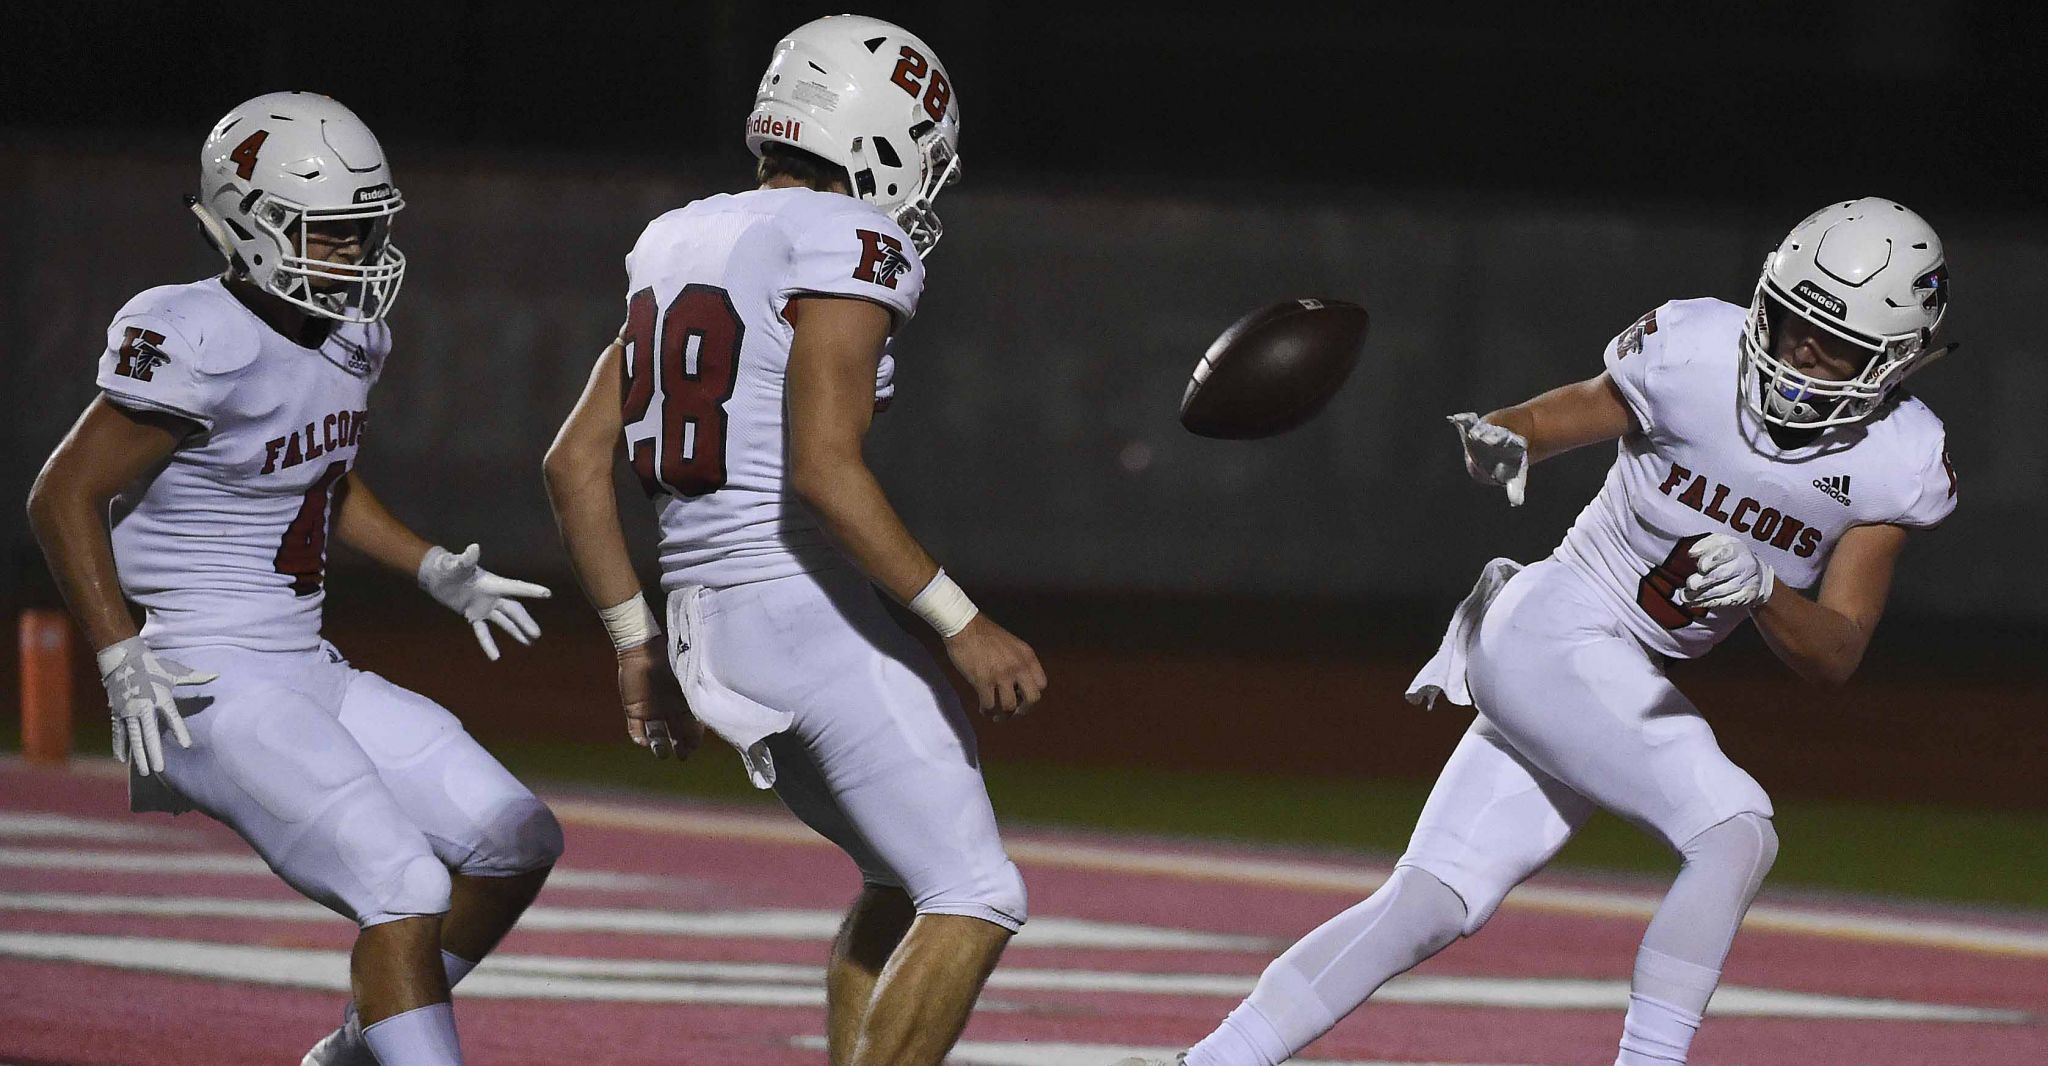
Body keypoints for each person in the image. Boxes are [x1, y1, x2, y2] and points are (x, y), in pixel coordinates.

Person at [1116, 197, 1958, 1066]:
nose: (1798, 354)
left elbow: (1835, 654)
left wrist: (1765, 589)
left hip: (1608, 673)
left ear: (1897, 358)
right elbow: (1534, 424)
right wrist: (1501, 440)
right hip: (1555, 619)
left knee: (1430, 901)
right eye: (1789, 323)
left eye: (1835, 343)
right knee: (1735, 829)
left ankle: (1212, 1061)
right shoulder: (1695, 349)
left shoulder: (1899, 459)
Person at [541, 15, 1045, 1066]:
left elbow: (572, 464)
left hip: (703, 616)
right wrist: (961, 619)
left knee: (904, 881)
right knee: (976, 892)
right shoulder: (847, 237)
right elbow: (824, 467)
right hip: (794, 602)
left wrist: (636, 643)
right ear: (883, 135)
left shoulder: (680, 237)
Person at [25, 91, 562, 1066]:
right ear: (249, 225)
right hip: (200, 680)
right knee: (403, 882)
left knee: (514, 835)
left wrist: (432, 566)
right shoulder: (195, 331)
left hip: (306, 664)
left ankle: (362, 1045)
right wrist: (119, 658)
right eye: (333, 232)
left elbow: (321, 476)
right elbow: (64, 496)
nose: (358, 255)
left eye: (366, 230)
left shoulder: (351, 333)